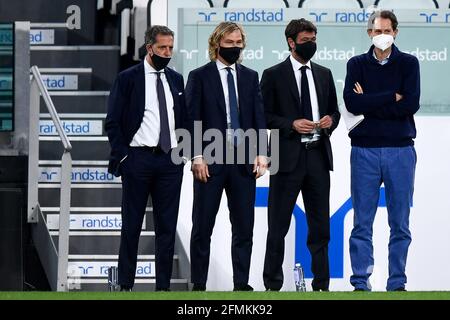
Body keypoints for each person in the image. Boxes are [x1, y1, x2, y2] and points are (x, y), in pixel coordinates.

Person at [105, 25, 189, 291]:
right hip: (137, 159)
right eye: (162, 47)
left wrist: (183, 152)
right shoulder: (128, 78)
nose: (167, 52)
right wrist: (125, 156)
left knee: (167, 228)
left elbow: (183, 119)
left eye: (170, 48)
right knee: (131, 226)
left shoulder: (176, 79)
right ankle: (126, 285)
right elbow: (113, 122)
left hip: (169, 161)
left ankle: (162, 288)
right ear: (149, 47)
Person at [185, 21, 268, 291]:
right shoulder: (199, 76)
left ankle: (241, 283)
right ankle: (198, 284)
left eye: (238, 42)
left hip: (243, 162)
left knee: (244, 228)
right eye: (230, 42)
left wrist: (263, 154)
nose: (235, 47)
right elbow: (191, 118)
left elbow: (258, 118)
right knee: (202, 227)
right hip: (209, 160)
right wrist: (196, 155)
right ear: (217, 43)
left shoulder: (250, 76)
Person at [261, 18, 340, 292]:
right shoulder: (272, 74)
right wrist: (291, 124)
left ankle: (322, 286)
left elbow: (335, 111)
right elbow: (264, 115)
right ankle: (272, 285)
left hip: (318, 156)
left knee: (320, 228)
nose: (311, 44)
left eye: (314, 39)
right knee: (278, 225)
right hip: (287, 159)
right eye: (306, 40)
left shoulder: (324, 73)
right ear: (291, 42)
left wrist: (332, 120)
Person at [344, 10, 420, 292]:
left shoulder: (409, 64)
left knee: (400, 223)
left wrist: (370, 101)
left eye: (387, 30)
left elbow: (410, 104)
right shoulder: (356, 64)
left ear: (396, 32)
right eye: (377, 31)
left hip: (400, 150)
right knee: (362, 222)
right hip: (364, 151)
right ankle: (361, 283)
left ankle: (397, 283)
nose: (382, 35)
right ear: (369, 33)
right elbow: (352, 103)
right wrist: (390, 96)